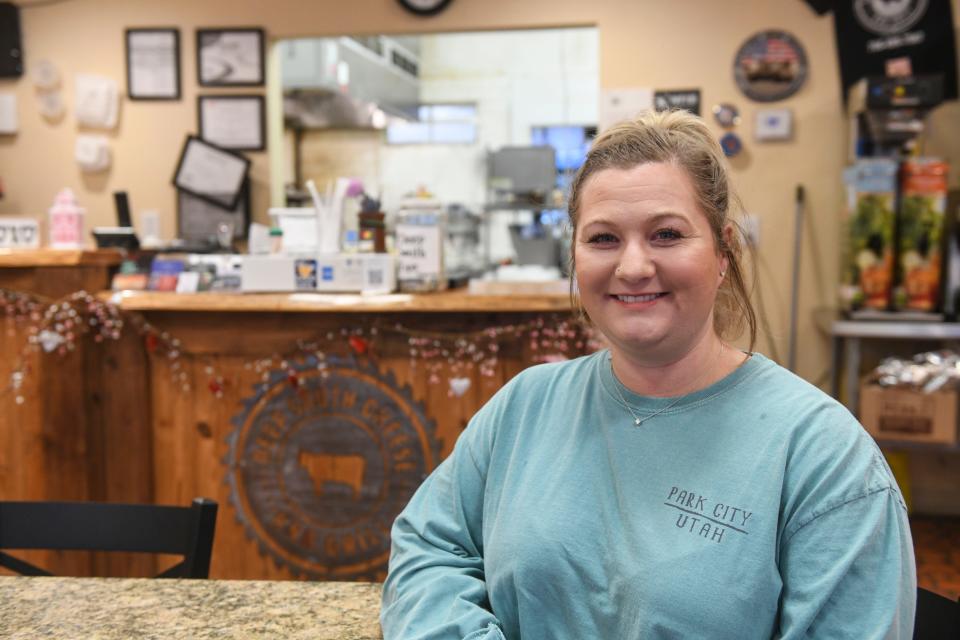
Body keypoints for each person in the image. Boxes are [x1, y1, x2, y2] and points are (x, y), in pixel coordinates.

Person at [380, 110, 916, 639]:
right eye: (603, 238)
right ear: (575, 254)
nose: (633, 267)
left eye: (665, 234)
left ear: (723, 251)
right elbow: (428, 550)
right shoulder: (525, 406)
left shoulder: (825, 457)